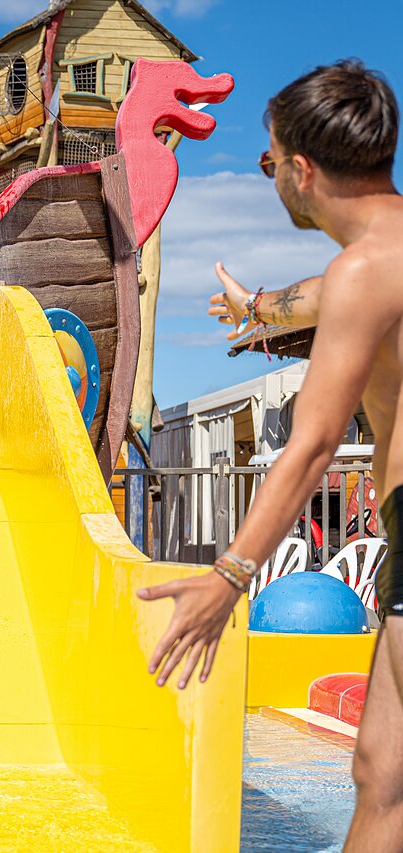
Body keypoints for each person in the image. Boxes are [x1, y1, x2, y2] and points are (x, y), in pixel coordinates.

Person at [136, 60, 403, 850]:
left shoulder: (365, 270)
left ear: (302, 169)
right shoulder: (377, 259)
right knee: (381, 772)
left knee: (387, 779)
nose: (271, 176)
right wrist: (255, 305)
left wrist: (229, 577)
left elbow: (313, 443)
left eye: (268, 161)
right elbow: (317, 296)